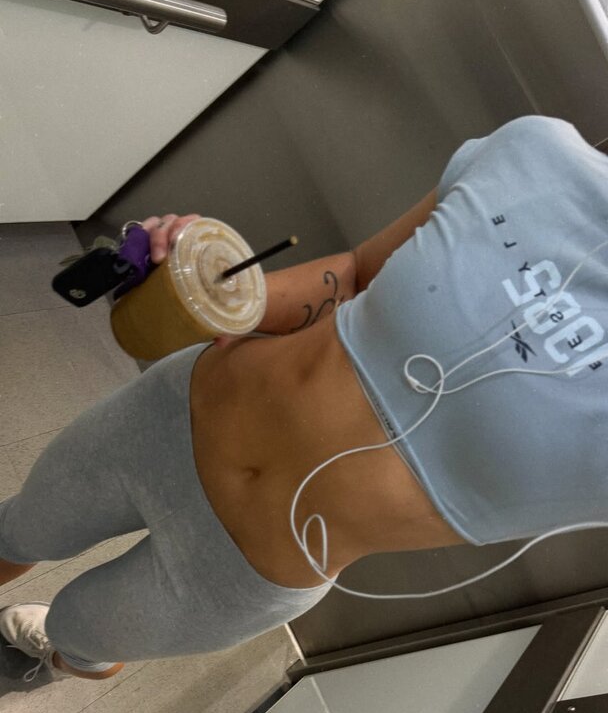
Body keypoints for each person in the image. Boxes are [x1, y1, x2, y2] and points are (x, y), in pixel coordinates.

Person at [1, 115, 606, 682]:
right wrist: (213, 292)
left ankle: (56, 653)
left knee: (80, 632)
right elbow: (356, 275)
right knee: (20, 531)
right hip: (167, 419)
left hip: (232, 577)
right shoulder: (537, 152)